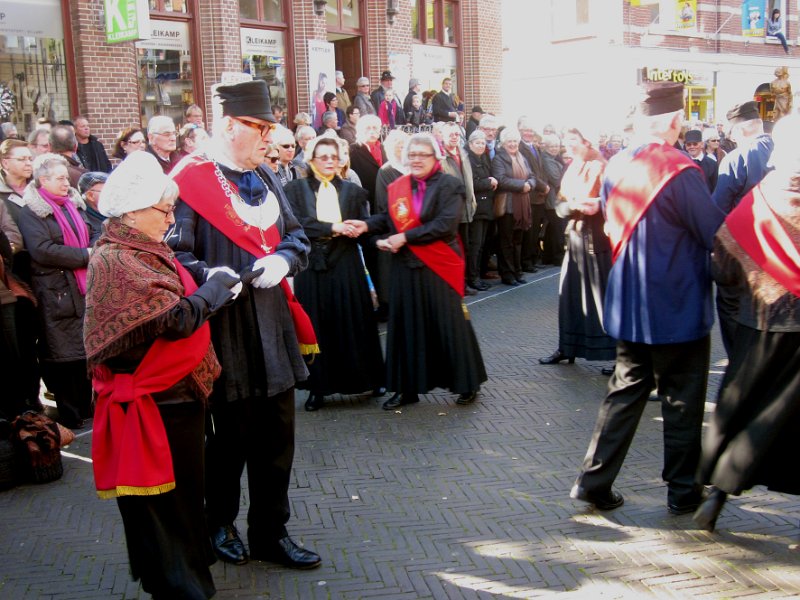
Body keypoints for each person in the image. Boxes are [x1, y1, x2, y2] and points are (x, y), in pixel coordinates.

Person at [167, 79, 320, 570]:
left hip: (272, 325)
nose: (268, 140)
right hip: (222, 328)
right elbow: (171, 251)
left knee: (278, 440)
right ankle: (219, 524)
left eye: (270, 129)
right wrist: (207, 276)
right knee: (227, 441)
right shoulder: (188, 179)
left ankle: (271, 533)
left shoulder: (268, 176)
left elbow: (298, 236)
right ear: (230, 125)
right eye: (261, 129)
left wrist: (284, 261)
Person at [85, 150, 242, 599]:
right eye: (164, 208)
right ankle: (179, 585)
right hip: (156, 402)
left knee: (184, 496)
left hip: (175, 397)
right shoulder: (116, 258)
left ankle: (181, 574)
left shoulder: (142, 248)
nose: (171, 217)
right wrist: (215, 288)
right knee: (166, 501)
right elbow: (172, 320)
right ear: (133, 212)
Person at [570, 82, 725, 516]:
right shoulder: (681, 170)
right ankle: (681, 491)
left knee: (623, 393)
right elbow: (714, 232)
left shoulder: (617, 163)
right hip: (676, 306)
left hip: (630, 303)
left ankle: (593, 482)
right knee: (681, 399)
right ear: (676, 122)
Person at [693, 115, 800, 532]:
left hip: (760, 325)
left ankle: (718, 494)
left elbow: (724, 260)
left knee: (740, 407)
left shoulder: (762, 197)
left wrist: (751, 280)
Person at [347, 132, 487, 410]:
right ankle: (406, 387)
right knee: (406, 327)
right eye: (412, 155)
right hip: (406, 266)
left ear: (436, 157)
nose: (416, 160)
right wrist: (368, 225)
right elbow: (389, 219)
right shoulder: (398, 186)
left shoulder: (450, 185)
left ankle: (466, 382)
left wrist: (405, 238)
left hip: (439, 263)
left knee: (449, 324)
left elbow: (445, 224)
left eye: (423, 154)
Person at [284, 137, 385, 412]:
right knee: (317, 325)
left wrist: (363, 227)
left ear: (341, 160)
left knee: (355, 320)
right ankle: (318, 388)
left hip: (346, 263)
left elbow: (370, 222)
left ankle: (371, 379)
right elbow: (298, 224)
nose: (328, 161)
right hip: (312, 266)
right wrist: (336, 227)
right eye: (322, 156)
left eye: (333, 156)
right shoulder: (294, 189)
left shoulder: (353, 191)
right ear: (312, 160)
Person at [17, 153, 96, 430]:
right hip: (56, 291)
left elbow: (92, 232)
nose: (67, 182)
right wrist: (85, 255)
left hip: (83, 287)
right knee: (62, 353)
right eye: (61, 178)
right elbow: (42, 250)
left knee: (85, 349)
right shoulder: (32, 211)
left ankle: (88, 406)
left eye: (66, 177)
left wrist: (92, 248)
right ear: (43, 180)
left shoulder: (74, 204)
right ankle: (70, 411)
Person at [539, 128, 615, 371]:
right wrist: (573, 204)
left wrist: (600, 205)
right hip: (575, 239)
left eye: (573, 140)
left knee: (602, 299)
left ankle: (619, 355)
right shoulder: (571, 167)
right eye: (566, 140)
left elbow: (618, 201)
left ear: (586, 140)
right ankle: (567, 347)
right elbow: (561, 206)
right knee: (569, 294)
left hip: (599, 243)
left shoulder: (604, 167)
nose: (567, 145)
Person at [712, 101, 774, 356]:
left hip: (746, 253)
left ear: (738, 131)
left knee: (731, 305)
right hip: (784, 253)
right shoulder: (787, 150)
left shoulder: (738, 158)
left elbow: (717, 211)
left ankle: (740, 365)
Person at [492, 128, 535, 287]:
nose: (512, 144)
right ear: (503, 143)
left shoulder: (522, 157)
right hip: (508, 206)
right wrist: (521, 186)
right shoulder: (499, 159)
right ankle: (507, 274)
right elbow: (501, 179)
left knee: (518, 241)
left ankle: (517, 271)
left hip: (522, 205)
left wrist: (529, 184)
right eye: (509, 141)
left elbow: (532, 177)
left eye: (515, 141)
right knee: (506, 242)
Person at [440, 122, 476, 294]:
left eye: (456, 134)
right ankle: (456, 283)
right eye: (450, 134)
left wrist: (472, 201)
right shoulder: (440, 158)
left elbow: (469, 181)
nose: (454, 137)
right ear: (442, 136)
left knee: (466, 248)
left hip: (466, 209)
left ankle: (465, 282)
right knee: (454, 250)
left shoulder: (463, 154)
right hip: (451, 212)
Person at [465, 130, 496, 292]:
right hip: (477, 208)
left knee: (481, 245)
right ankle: (473, 278)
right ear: (470, 144)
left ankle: (478, 275)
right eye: (477, 142)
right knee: (475, 245)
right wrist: (489, 182)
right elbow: (471, 184)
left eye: (483, 143)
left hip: (486, 207)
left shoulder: (483, 158)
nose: (480, 145)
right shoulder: (468, 159)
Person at [1, 139, 34, 225]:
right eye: (22, 159)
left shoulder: (41, 186)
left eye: (30, 159)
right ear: (5, 163)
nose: (28, 163)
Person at [77, 171, 108, 239]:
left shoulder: (117, 212)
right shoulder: (82, 220)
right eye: (107, 191)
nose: (113, 195)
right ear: (90, 196)